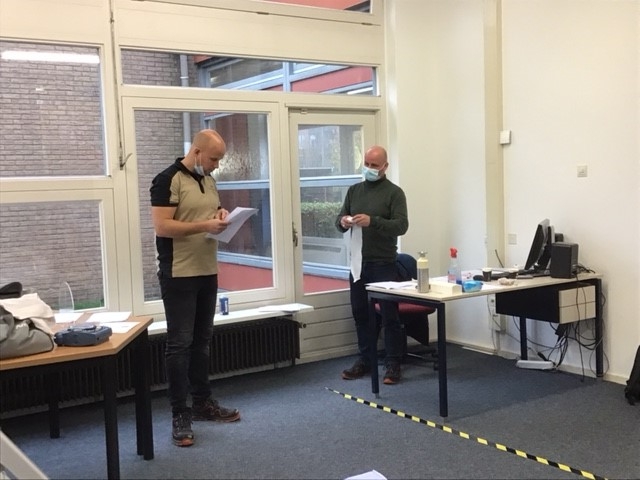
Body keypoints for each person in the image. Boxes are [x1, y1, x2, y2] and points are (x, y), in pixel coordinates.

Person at [150, 129, 241, 448]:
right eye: (214, 158)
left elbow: (209, 214)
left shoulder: (209, 180)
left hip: (207, 270)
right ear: (197, 152)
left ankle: (203, 403)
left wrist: (220, 216)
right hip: (179, 273)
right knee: (180, 345)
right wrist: (205, 225)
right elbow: (162, 226)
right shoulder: (167, 179)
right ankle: (180, 414)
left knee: (202, 342)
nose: (217, 164)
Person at [335, 145, 409, 385]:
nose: (369, 168)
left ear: (385, 167)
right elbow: (338, 221)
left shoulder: (394, 193)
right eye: (366, 163)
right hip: (358, 263)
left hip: (383, 263)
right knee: (360, 313)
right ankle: (365, 359)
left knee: (389, 315)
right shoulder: (354, 191)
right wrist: (344, 222)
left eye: (374, 165)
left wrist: (373, 221)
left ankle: (393, 362)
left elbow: (401, 226)